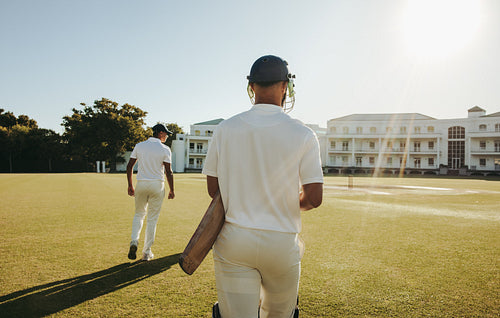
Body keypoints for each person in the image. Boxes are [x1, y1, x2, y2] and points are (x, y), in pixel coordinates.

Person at [202, 55, 324, 318]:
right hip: (281, 242)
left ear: (252, 87)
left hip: (235, 239)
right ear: (285, 86)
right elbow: (314, 198)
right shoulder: (303, 133)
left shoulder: (225, 128)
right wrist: (284, 203)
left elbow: (214, 190)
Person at [126, 123, 175, 261]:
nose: (166, 136)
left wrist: (130, 185)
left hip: (141, 184)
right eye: (165, 133)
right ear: (159, 133)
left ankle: (134, 241)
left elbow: (129, 166)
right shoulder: (165, 149)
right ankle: (146, 253)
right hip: (157, 185)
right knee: (152, 219)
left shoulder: (139, 145)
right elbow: (169, 172)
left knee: (139, 214)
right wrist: (172, 189)